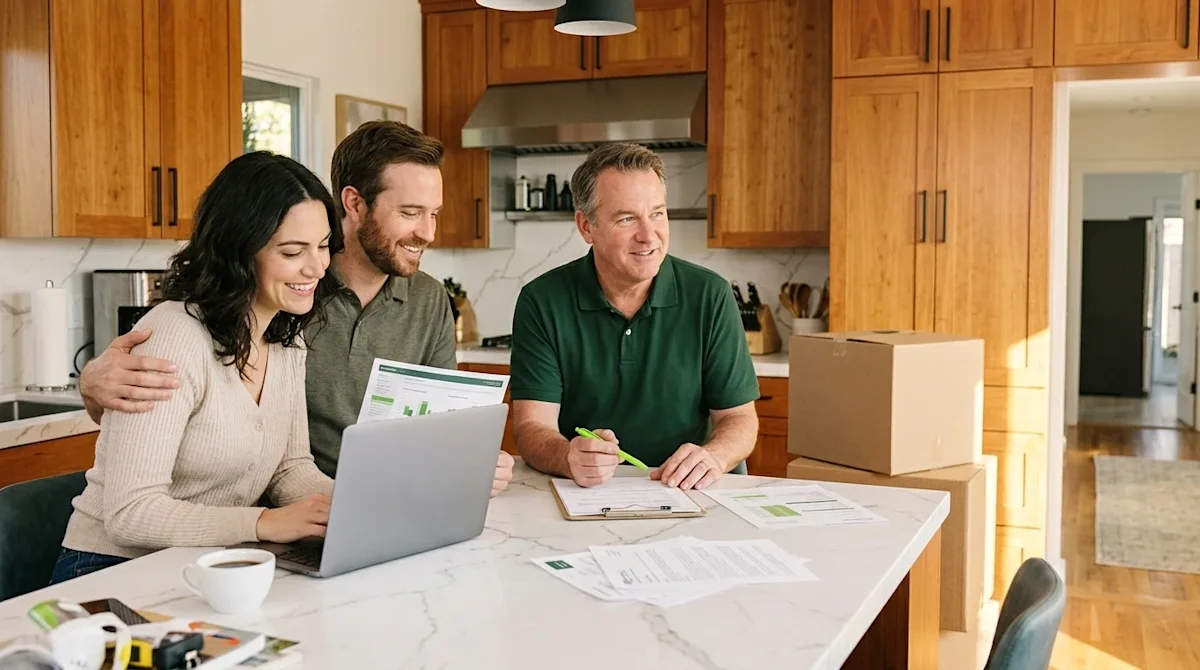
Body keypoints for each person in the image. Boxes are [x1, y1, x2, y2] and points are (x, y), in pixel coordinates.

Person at [77, 122, 515, 498]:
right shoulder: (282, 295)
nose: (428, 232)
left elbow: (440, 430)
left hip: (343, 506)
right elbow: (180, 367)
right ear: (355, 203)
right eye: (411, 212)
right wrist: (92, 384)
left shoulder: (425, 301)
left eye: (434, 213)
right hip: (268, 516)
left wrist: (468, 464)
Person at [51, 152, 341, 583]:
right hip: (110, 569)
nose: (316, 267)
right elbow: (130, 514)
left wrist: (362, 503)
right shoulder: (175, 336)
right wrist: (262, 523)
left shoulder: (285, 335)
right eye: (293, 251)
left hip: (208, 565)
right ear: (241, 250)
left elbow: (289, 468)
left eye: (322, 246)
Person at [509, 142, 760, 491]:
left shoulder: (710, 295)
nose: (648, 235)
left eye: (657, 213)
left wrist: (714, 456)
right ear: (586, 226)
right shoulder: (542, 301)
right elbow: (532, 427)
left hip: (692, 493)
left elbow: (738, 417)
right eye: (627, 219)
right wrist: (568, 456)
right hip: (588, 494)